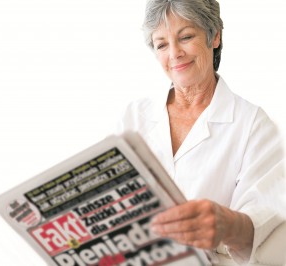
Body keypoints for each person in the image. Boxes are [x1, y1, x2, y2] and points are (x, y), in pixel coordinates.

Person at [114, 0, 285, 265]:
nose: (174, 54)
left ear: (214, 36)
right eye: (161, 44)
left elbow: (263, 224)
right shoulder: (134, 115)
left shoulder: (253, 124)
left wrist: (226, 224)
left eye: (185, 37)